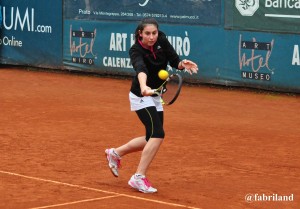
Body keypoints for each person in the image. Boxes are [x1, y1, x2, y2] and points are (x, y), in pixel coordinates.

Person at [105, 18, 198, 193]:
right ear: (140, 34)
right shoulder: (135, 50)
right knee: (158, 134)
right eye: (147, 33)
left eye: (154, 33)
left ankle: (115, 153)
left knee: (151, 138)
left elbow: (174, 60)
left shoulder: (161, 40)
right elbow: (140, 69)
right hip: (141, 95)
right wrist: (144, 87)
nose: (152, 37)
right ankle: (138, 177)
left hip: (156, 95)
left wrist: (181, 64)